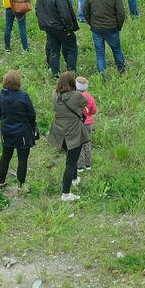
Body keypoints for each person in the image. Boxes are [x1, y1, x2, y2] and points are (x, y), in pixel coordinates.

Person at [49, 72, 90, 201]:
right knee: (71, 163)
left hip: (59, 131)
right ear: (73, 83)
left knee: (70, 155)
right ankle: (65, 194)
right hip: (73, 132)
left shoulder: (55, 95)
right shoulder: (77, 96)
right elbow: (85, 101)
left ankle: (74, 178)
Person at [0, 70, 37, 189]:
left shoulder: (2, 95)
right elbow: (31, 114)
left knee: (5, 156)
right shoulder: (23, 96)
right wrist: (31, 125)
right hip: (22, 132)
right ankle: (21, 186)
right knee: (22, 159)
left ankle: (1, 182)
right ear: (18, 82)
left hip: (6, 131)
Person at [37, 0, 79, 78]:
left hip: (48, 27)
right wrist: (69, 29)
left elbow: (37, 10)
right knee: (71, 48)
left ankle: (55, 74)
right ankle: (71, 72)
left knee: (54, 50)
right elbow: (65, 15)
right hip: (61, 28)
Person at [84, 0, 128, 74]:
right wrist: (118, 27)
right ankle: (121, 70)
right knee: (117, 50)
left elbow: (85, 11)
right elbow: (120, 14)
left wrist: (92, 23)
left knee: (100, 54)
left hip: (96, 29)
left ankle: (102, 75)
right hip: (111, 29)